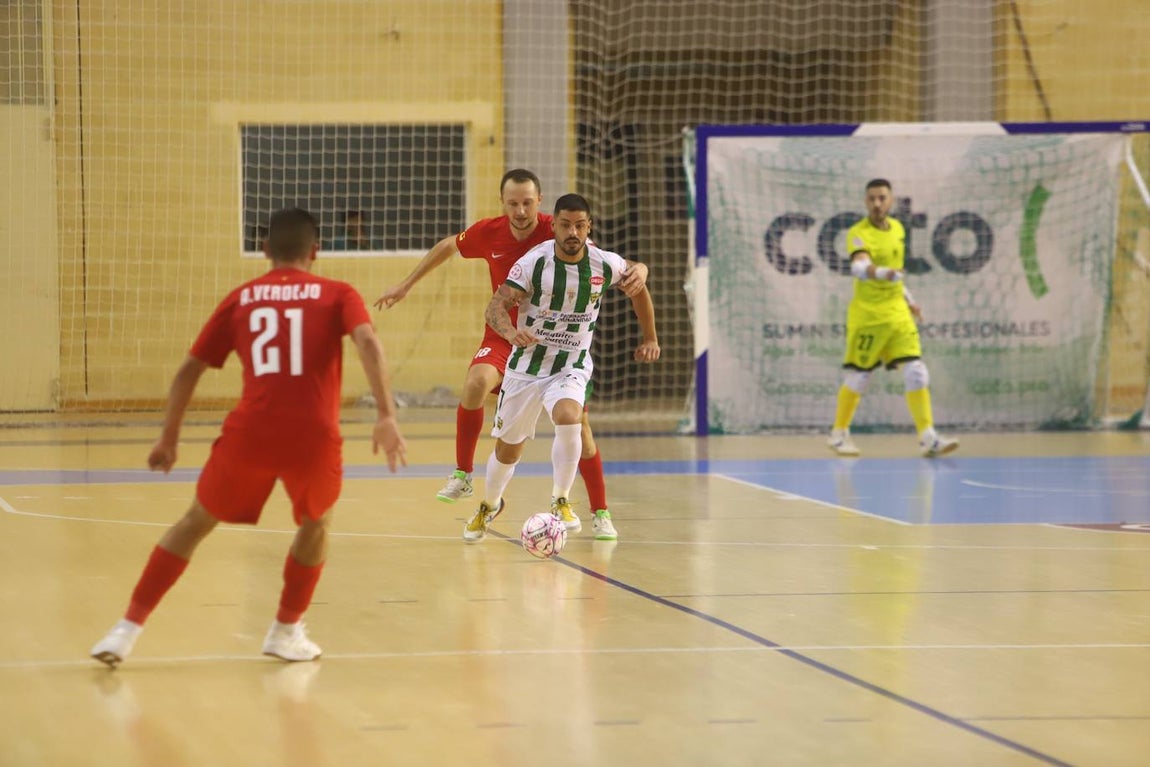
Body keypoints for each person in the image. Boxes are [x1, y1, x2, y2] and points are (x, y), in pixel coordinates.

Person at [90, 207, 407, 668]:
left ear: (264, 250)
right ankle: (286, 630)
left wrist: (169, 439)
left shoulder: (242, 297)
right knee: (316, 524)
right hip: (313, 437)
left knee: (194, 522)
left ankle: (125, 630)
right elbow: (369, 344)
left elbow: (188, 370)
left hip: (251, 433)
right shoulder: (339, 293)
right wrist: (386, 414)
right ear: (315, 251)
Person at [374, 169, 648, 540]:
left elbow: (604, 261)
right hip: (508, 333)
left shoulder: (559, 228)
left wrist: (640, 269)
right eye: (513, 203)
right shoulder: (490, 232)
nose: (520, 211)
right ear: (502, 203)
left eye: (527, 203)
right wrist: (406, 284)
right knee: (477, 386)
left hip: (558, 344)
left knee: (577, 423)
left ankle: (596, 509)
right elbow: (448, 247)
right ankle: (464, 475)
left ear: (539, 203)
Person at [463, 193, 659, 543]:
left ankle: (561, 500)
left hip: (571, 364)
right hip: (526, 366)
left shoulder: (604, 263)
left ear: (589, 227)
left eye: (580, 226)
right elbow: (494, 308)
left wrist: (650, 337)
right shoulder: (533, 263)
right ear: (553, 225)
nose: (573, 232)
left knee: (570, 417)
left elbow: (637, 287)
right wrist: (510, 332)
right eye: (566, 225)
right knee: (508, 449)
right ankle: (489, 504)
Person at [828, 179, 959, 458]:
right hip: (869, 316)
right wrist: (883, 273)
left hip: (897, 313)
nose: (877, 203)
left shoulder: (898, 229)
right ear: (866, 201)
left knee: (916, 371)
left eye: (882, 198)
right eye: (872, 198)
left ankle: (928, 437)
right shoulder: (858, 232)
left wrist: (909, 300)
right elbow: (859, 267)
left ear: (891, 200)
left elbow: (897, 273)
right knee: (860, 377)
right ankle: (839, 434)